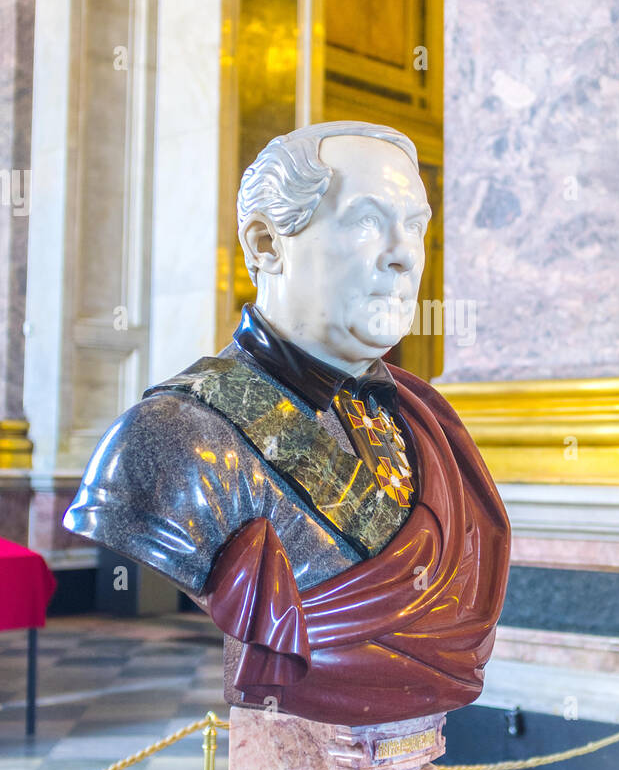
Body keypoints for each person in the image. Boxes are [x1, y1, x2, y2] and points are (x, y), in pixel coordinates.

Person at [64, 121, 510, 726]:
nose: (404, 254)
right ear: (267, 244)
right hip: (299, 757)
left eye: (416, 225)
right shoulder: (172, 438)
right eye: (365, 221)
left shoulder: (424, 421)